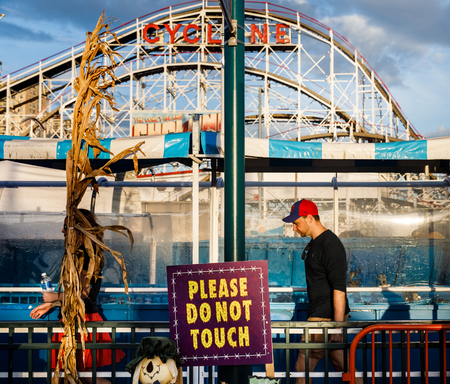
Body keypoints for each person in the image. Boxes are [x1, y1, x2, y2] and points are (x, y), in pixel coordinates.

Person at [30, 209, 125, 384]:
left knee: (72, 373)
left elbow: (82, 294)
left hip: (81, 322)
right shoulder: (84, 255)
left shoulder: (86, 257)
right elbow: (77, 293)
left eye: (66, 227)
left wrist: (52, 298)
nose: (63, 231)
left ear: (78, 230)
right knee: (79, 374)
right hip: (79, 319)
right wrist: (52, 304)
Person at [282, 199, 359, 384]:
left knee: (303, 367)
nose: (294, 228)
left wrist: (337, 326)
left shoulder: (329, 244)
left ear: (310, 218)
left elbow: (339, 289)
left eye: (296, 223)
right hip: (324, 317)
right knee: (342, 365)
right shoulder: (317, 242)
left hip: (322, 319)